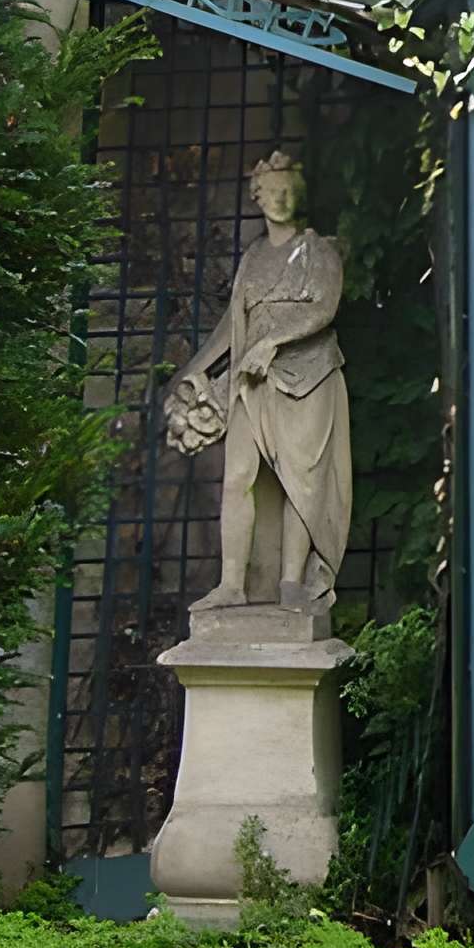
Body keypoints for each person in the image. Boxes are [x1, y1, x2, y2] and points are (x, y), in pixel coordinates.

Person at [169, 150, 351, 613]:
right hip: (251, 382)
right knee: (238, 478)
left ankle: (291, 581)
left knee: (299, 482)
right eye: (272, 191)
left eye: (289, 190)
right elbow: (235, 322)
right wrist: (197, 366)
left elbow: (323, 308)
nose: (281, 198)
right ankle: (232, 584)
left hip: (308, 378)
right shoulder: (253, 258)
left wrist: (273, 342)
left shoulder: (319, 250)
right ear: (257, 197)